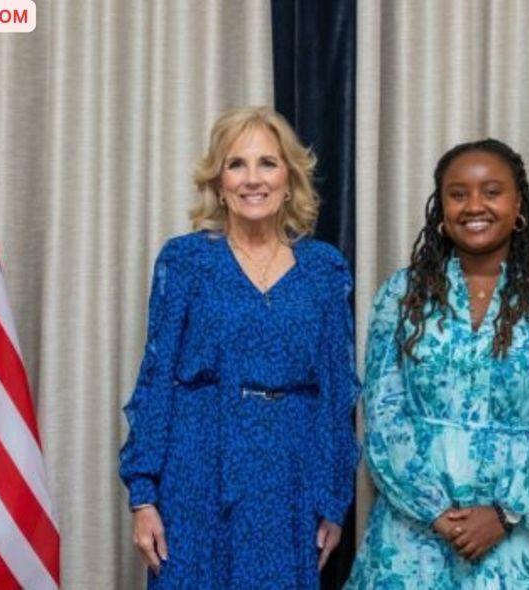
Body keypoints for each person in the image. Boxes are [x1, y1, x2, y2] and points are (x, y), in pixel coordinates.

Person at [118, 106, 359, 589]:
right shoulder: (185, 261)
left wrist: (332, 499)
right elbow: (157, 378)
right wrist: (144, 496)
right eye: (237, 164)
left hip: (288, 479)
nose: (253, 179)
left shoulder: (323, 270)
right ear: (219, 182)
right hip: (196, 470)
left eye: (268, 163)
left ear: (289, 179)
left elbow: (337, 393)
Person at [346, 139, 529, 588]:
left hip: (524, 539)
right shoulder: (401, 297)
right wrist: (436, 512)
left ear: (518, 203)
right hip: (416, 538)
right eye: (458, 193)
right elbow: (383, 414)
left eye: (491, 191)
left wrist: (505, 514)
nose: (474, 206)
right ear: (441, 208)